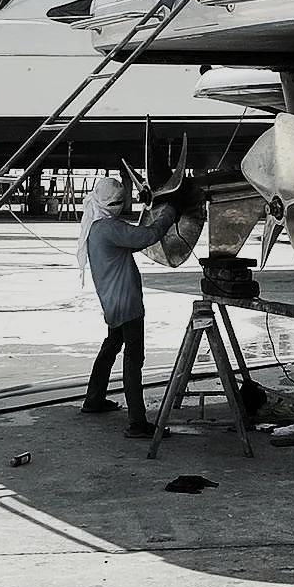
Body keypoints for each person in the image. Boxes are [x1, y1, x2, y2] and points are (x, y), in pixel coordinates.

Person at [80, 173, 191, 438]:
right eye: (120, 202)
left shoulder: (96, 227)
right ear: (113, 204)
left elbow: (133, 237)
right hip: (127, 303)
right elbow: (148, 236)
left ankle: (94, 399)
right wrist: (170, 211)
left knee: (111, 346)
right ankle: (137, 422)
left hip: (112, 302)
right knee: (133, 359)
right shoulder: (110, 228)